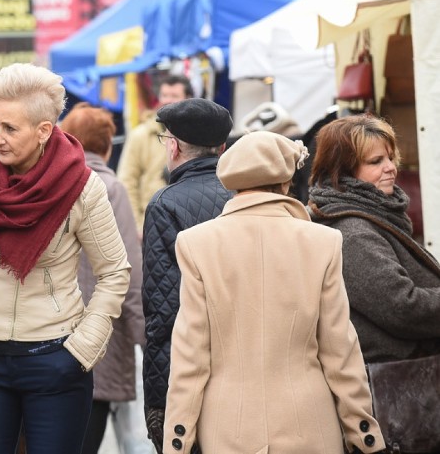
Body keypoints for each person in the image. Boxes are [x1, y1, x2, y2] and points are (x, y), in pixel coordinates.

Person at [0, 63, 131, 454]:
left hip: (56, 358)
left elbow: (114, 272)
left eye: (9, 128)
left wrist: (83, 347)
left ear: (44, 131)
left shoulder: (83, 188)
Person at [162, 131, 386, 453]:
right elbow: (340, 353)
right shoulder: (322, 242)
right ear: (286, 182)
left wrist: (177, 441)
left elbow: (190, 356)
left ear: (233, 182)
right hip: (310, 425)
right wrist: (364, 434)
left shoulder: (197, 244)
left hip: (228, 429)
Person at [141, 98, 233, 452]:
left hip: (192, 366)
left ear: (174, 146)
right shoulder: (247, 193)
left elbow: (163, 312)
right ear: (222, 147)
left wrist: (159, 405)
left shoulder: (165, 204)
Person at [308, 114, 440, 362]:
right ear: (344, 171)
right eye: (375, 161)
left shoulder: (374, 214)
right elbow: (403, 308)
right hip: (396, 379)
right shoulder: (353, 233)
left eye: (390, 157)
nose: (390, 167)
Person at [59, 103, 147, 454]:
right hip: (101, 330)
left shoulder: (52, 184)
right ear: (107, 144)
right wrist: (145, 336)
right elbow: (129, 269)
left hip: (53, 329)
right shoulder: (110, 188)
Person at [117, 75, 193, 231]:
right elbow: (127, 182)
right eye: (164, 95)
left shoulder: (195, 137)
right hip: (151, 223)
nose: (167, 100)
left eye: (174, 96)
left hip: (187, 224)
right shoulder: (140, 135)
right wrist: (137, 226)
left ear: (188, 99)